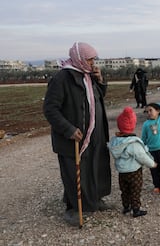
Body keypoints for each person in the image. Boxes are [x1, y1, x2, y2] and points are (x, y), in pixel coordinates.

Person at [43, 42, 112, 226]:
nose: (92, 63)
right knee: (74, 173)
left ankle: (94, 199)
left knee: (94, 167)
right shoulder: (62, 78)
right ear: (80, 58)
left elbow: (99, 97)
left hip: (94, 135)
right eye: (89, 59)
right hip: (73, 138)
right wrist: (69, 129)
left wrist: (100, 80)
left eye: (93, 59)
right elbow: (50, 109)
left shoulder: (88, 75)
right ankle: (73, 208)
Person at [108, 106, 157, 217]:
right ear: (132, 125)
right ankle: (136, 210)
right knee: (135, 190)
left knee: (124, 190)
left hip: (122, 172)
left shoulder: (116, 141)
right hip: (134, 172)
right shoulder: (133, 143)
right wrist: (152, 164)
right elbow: (142, 157)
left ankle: (126, 207)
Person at [141, 102, 160, 194]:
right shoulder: (146, 124)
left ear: (158, 111)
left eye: (151, 110)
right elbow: (143, 138)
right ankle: (157, 185)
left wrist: (154, 104)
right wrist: (142, 147)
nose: (149, 113)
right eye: (147, 111)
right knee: (154, 169)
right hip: (152, 151)